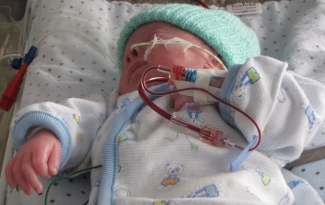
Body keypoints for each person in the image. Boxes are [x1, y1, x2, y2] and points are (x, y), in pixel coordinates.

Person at [5, 4, 325, 205]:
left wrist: (228, 86)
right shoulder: (117, 105)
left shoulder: (239, 95)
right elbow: (77, 119)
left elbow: (299, 116)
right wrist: (48, 137)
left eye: (153, 42)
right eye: (130, 52)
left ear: (212, 57)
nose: (132, 55)